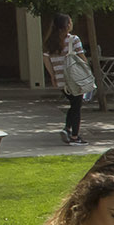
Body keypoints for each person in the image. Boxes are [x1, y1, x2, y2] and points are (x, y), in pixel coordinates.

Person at [44, 14, 91, 146]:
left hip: (61, 78)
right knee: (77, 106)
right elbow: (81, 56)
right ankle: (74, 136)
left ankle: (67, 129)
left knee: (74, 104)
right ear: (67, 25)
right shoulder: (73, 39)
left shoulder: (50, 42)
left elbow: (46, 59)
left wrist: (53, 75)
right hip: (74, 77)